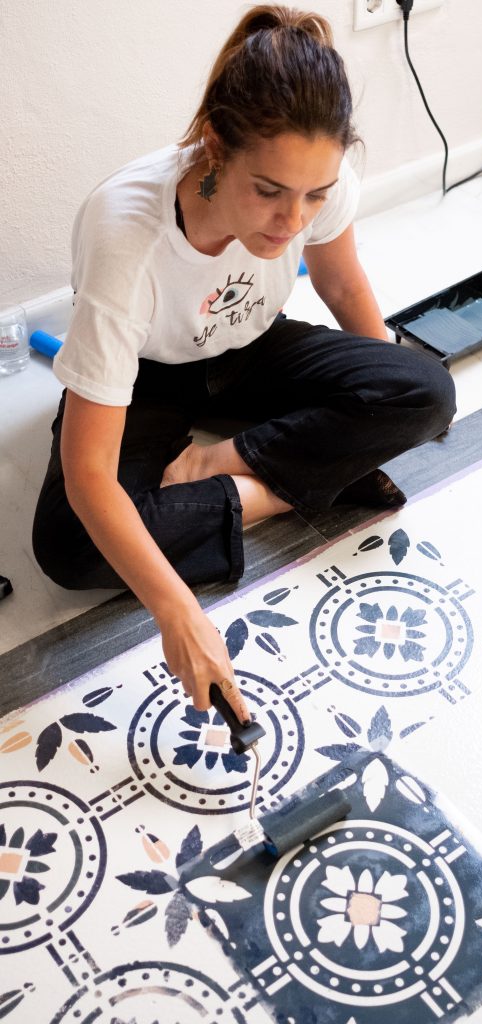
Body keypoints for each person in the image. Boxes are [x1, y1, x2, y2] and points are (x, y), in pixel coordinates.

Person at [32, 4, 456, 724]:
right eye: (268, 192)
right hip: (149, 372)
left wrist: (386, 415)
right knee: (70, 545)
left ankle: (220, 464)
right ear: (215, 148)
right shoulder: (126, 234)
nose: (293, 221)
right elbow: (89, 474)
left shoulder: (314, 182)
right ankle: (290, 487)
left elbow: (342, 285)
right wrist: (178, 612)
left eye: (315, 196)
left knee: (425, 390)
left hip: (252, 343)